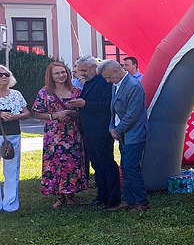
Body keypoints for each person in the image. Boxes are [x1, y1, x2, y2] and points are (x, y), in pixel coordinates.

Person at [32, 61, 87, 207]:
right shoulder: (45, 92)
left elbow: (83, 113)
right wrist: (54, 116)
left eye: (63, 72)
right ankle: (59, 195)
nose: (61, 75)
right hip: (53, 135)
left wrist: (70, 113)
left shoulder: (76, 91)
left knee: (72, 163)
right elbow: (37, 113)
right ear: (51, 76)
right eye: (57, 73)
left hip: (72, 133)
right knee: (54, 163)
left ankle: (71, 195)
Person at [68, 56, 120, 209]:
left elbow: (107, 105)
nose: (81, 74)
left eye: (84, 70)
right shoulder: (90, 82)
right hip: (89, 130)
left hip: (101, 130)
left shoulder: (104, 81)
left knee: (106, 163)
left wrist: (85, 104)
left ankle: (113, 197)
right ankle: (102, 195)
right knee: (97, 164)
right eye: (80, 71)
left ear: (93, 67)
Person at [100, 60, 149, 212]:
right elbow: (113, 110)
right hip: (123, 134)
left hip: (134, 134)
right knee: (126, 167)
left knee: (130, 167)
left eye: (109, 77)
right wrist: (111, 127)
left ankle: (141, 202)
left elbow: (132, 115)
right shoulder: (117, 85)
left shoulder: (133, 86)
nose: (108, 81)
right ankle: (130, 200)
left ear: (116, 71)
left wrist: (117, 130)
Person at [0, 66, 30, 212]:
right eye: (0, 74)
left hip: (12, 134)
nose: (4, 76)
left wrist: (16, 116)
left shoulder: (16, 94)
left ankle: (10, 204)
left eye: (6, 74)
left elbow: (26, 113)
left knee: (12, 169)